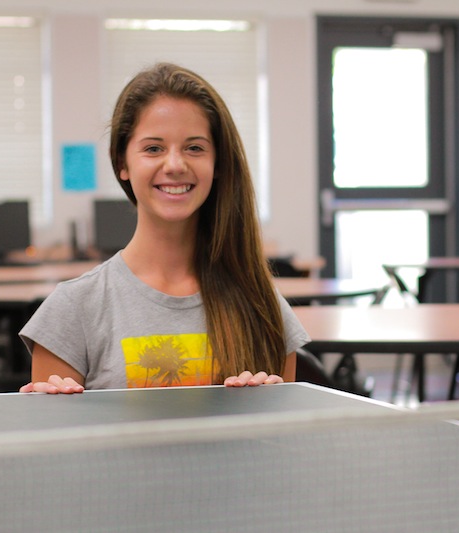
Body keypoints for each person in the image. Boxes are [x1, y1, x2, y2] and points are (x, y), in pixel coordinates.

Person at [19, 62, 310, 394]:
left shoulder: (261, 305)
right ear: (122, 162)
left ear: (218, 165)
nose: (174, 165)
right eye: (153, 148)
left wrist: (269, 408)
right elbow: (56, 443)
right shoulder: (72, 309)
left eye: (195, 148)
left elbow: (281, 442)